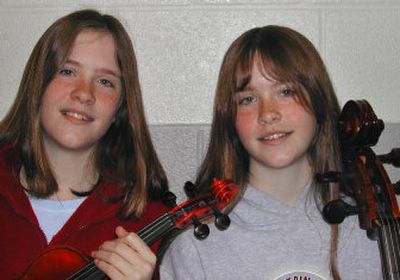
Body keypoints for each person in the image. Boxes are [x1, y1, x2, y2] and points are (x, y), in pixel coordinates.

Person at [159, 25, 382, 279]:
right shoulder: (194, 249)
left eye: (286, 92)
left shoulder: (370, 230)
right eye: (248, 99)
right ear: (230, 120)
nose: (267, 114)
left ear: (319, 104)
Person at [0, 9, 171, 280]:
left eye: (105, 81)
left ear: (120, 108)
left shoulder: (149, 220)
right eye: (67, 71)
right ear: (38, 86)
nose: (84, 93)